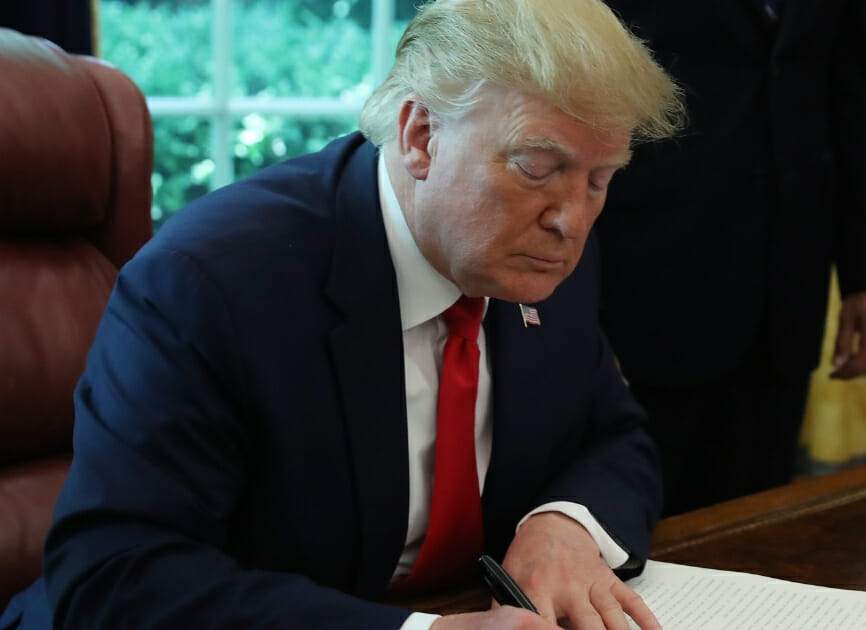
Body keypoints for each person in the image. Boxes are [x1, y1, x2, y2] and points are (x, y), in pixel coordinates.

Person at [0, 0, 684, 628]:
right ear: (420, 136)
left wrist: (562, 524)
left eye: (599, 180)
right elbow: (116, 573)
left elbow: (614, 436)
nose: (571, 219)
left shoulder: (535, 257)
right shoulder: (211, 284)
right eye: (537, 167)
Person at [595, 0, 866, 516]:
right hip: (641, 280)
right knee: (630, 524)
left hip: (784, 290)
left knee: (753, 522)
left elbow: (860, 90)